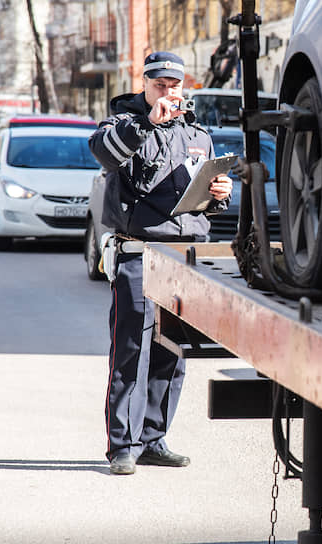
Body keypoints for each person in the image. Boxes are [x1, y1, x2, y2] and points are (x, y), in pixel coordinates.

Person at [89, 51, 233, 475]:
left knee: (173, 352)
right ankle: (122, 446)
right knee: (132, 349)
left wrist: (220, 194)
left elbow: (204, 206)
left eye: (174, 85)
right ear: (146, 83)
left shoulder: (198, 134)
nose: (168, 93)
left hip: (185, 257)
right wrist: (148, 121)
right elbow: (105, 154)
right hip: (139, 253)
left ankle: (154, 438)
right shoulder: (123, 123)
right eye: (160, 85)